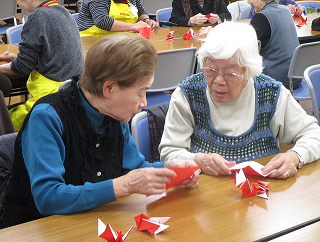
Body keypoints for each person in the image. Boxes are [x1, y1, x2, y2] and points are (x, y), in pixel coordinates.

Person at [0, 33, 200, 228]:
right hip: (36, 229)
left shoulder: (113, 111)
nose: (144, 103)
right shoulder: (47, 117)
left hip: (91, 222)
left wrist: (170, 170)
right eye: (140, 93)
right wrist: (124, 186)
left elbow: (134, 168)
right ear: (109, 89)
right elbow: (48, 198)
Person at [159, 21, 320, 180]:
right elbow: (169, 153)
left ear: (249, 71)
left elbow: (313, 134)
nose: (218, 80)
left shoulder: (270, 93)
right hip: (204, 198)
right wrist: (199, 160)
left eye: (230, 73)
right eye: (211, 69)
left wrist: (294, 156)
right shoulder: (188, 93)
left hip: (261, 200)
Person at [0, 0, 84, 131]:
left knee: (4, 122)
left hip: (50, 99)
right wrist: (18, 58)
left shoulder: (37, 17)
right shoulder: (64, 12)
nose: (18, 5)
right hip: (73, 96)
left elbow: (22, 67)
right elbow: (54, 57)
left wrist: (13, 64)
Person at [78, 0, 159, 36]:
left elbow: (141, 11)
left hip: (122, 40)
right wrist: (134, 27)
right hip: (94, 42)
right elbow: (102, 21)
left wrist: (146, 20)